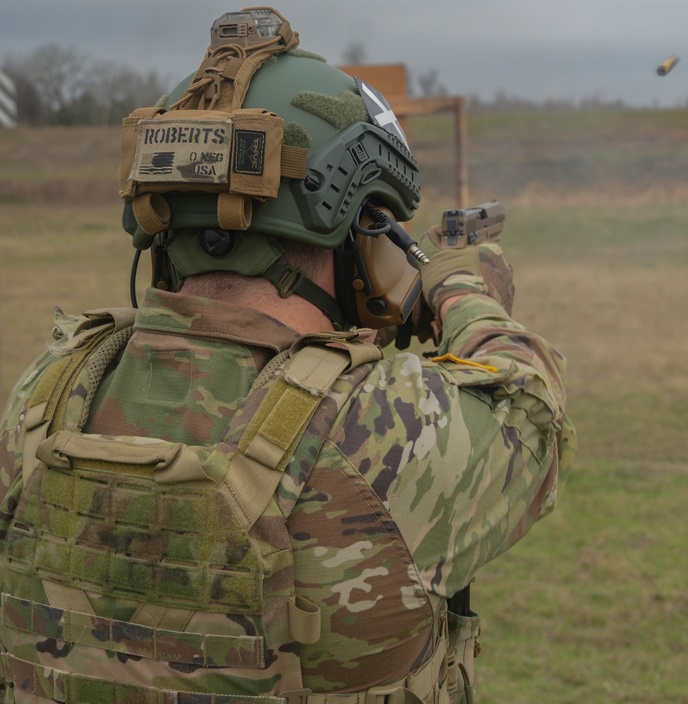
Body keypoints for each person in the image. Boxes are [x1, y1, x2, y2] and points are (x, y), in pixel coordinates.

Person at [0, 7, 574, 704]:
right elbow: (533, 413)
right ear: (354, 228)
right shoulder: (383, 428)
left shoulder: (46, 394)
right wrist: (463, 291)